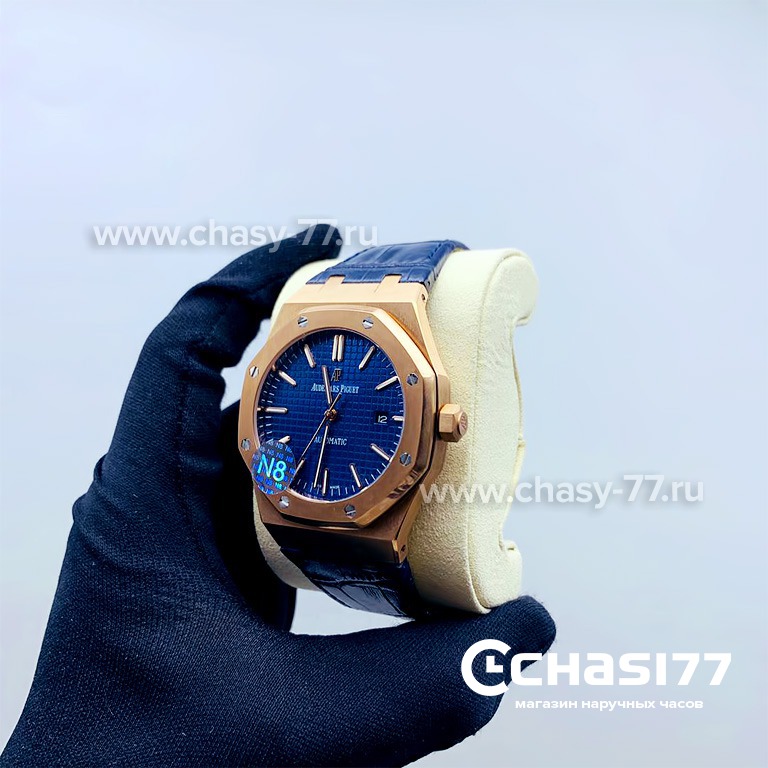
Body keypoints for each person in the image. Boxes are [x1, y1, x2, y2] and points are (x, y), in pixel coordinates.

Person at [1, 226, 555, 767]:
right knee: (270, 484)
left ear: (444, 420)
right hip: (292, 498)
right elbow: (269, 471)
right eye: (327, 405)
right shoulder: (270, 442)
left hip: (370, 510)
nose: (331, 412)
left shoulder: (414, 347)